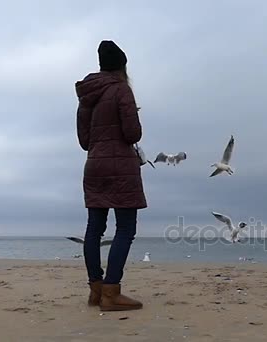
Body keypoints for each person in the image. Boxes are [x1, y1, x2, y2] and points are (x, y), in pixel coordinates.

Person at [75, 40, 146, 311]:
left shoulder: (86, 97)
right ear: (122, 66)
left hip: (94, 165)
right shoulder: (121, 90)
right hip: (120, 167)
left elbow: (84, 141)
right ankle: (111, 292)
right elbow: (133, 134)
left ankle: (95, 289)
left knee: (94, 228)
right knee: (125, 228)